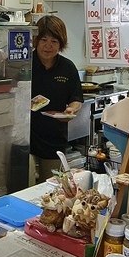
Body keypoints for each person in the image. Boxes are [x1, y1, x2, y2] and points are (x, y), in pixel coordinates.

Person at [29, 14, 84, 185]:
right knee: (25, 187)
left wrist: (71, 110)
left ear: (61, 44)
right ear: (36, 40)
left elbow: (76, 98)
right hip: (26, 139)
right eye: (43, 40)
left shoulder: (67, 67)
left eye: (54, 41)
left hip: (54, 140)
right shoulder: (25, 64)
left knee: (51, 188)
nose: (48, 46)